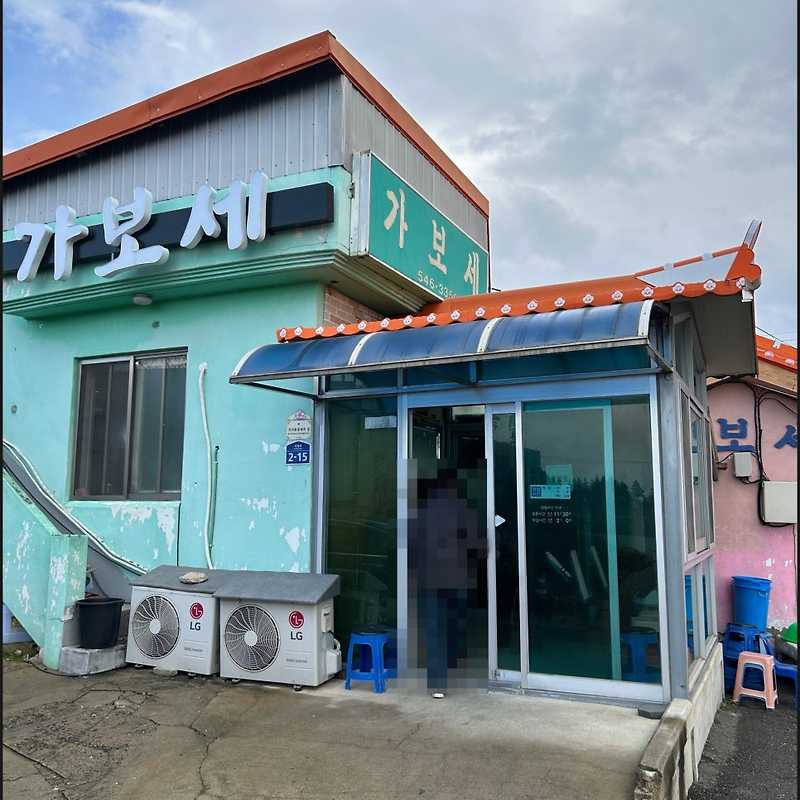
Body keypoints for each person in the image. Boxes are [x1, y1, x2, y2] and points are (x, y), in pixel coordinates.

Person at [410, 469, 486, 697]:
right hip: (458, 579)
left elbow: (411, 546)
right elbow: (479, 546)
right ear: (454, 487)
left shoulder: (421, 512)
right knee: (454, 624)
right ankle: (453, 664)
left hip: (429, 579)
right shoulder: (465, 511)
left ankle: (438, 684)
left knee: (434, 631)